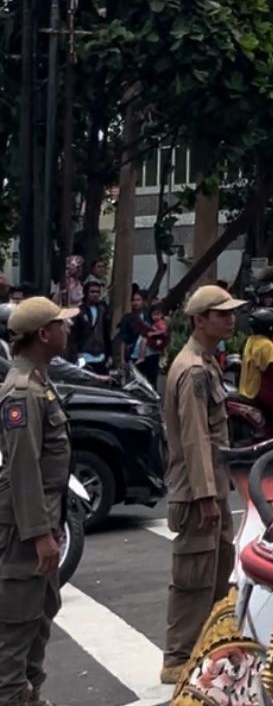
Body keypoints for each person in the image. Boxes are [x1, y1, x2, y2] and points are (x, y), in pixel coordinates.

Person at [160, 285, 245, 684]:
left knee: (216, 573)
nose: (229, 319)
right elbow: (194, 437)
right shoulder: (193, 368)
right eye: (221, 314)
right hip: (197, 492)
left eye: (230, 313)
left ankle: (205, 651)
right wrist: (206, 495)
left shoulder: (206, 362)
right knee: (194, 579)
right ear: (199, 320)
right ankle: (178, 658)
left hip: (210, 486)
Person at [0, 298, 77, 706]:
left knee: (39, 618)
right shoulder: (22, 392)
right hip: (23, 533)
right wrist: (40, 536)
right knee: (15, 630)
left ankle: (31, 697)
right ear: (44, 334)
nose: (68, 330)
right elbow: (24, 471)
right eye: (61, 324)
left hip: (40, 526)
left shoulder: (40, 383)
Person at [68, 276, 111, 370]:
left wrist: (108, 354)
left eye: (97, 292)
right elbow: (74, 336)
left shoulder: (103, 310)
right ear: (86, 293)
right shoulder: (79, 311)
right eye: (92, 292)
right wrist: (76, 355)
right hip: (84, 355)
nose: (95, 294)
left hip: (101, 355)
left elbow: (106, 333)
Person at [113, 289, 153, 371]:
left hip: (150, 356)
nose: (135, 303)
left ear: (144, 302)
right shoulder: (128, 318)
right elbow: (123, 339)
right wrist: (122, 359)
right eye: (133, 300)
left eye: (138, 300)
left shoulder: (150, 317)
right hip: (133, 356)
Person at [139, 305, 169, 387]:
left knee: (152, 377)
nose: (155, 317)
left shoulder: (161, 323)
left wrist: (153, 333)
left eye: (158, 314)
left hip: (154, 351)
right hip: (152, 349)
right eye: (154, 314)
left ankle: (141, 357)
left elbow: (164, 330)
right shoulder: (154, 323)